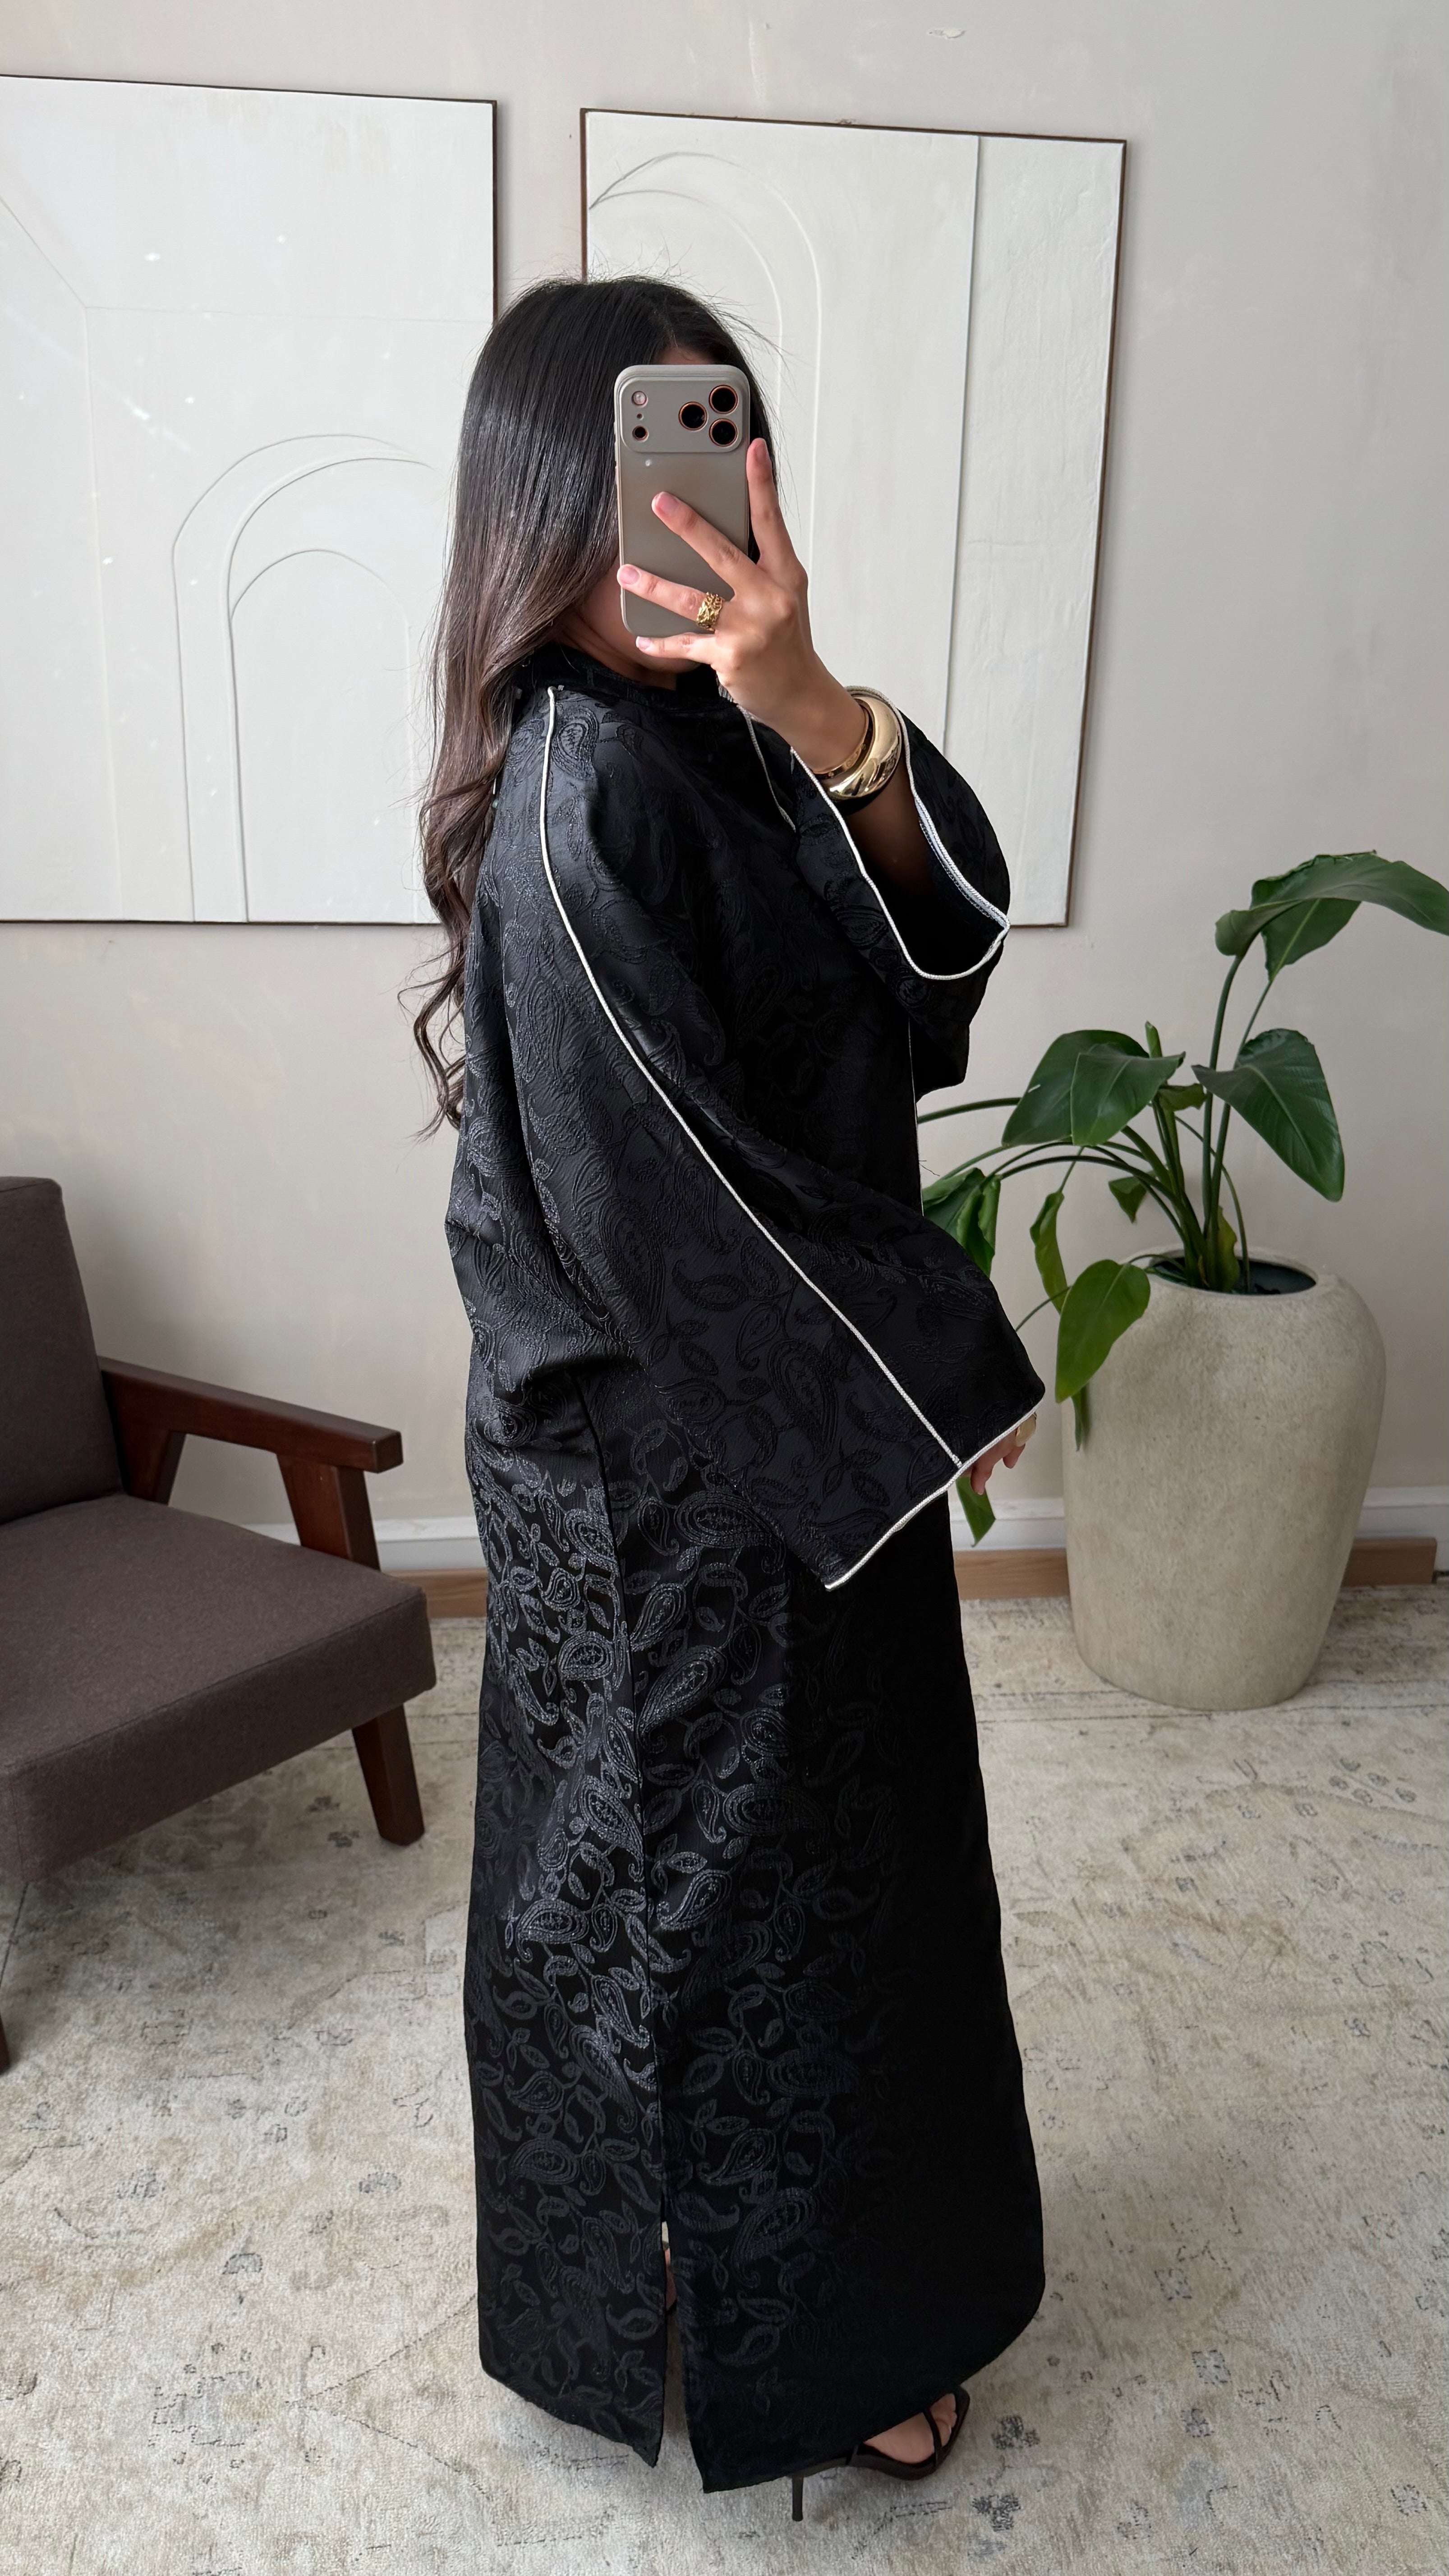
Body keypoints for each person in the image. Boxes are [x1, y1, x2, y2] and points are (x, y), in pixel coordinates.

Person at [415, 276, 1046, 2516]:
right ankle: (797, 2348)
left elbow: (932, 977)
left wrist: (821, 705)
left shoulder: (730, 729)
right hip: (669, 1489)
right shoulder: (581, 783)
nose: (700, 511)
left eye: (726, 451)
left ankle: (749, 2286)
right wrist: (929, 1373)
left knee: (844, 1888)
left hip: (782, 1436)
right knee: (727, 1912)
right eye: (655, 466)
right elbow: (663, 1180)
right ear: (552, 499)